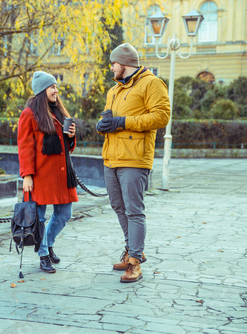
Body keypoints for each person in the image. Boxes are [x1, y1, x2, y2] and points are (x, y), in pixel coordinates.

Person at [96, 43, 170, 283]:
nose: (111, 68)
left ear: (124, 63)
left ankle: (135, 262)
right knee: (118, 207)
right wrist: (102, 125)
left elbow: (161, 116)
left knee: (134, 210)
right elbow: (110, 118)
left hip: (135, 159)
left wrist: (123, 122)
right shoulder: (114, 90)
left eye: (113, 63)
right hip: (112, 158)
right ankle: (132, 250)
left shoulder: (152, 83)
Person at [17, 71, 79, 273]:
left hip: (62, 174)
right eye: (52, 87)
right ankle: (43, 254)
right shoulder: (30, 114)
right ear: (42, 90)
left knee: (64, 214)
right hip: (41, 174)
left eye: (55, 87)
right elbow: (25, 146)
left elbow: (66, 147)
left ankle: (48, 243)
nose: (56, 90)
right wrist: (27, 175)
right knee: (40, 218)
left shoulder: (59, 112)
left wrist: (71, 136)